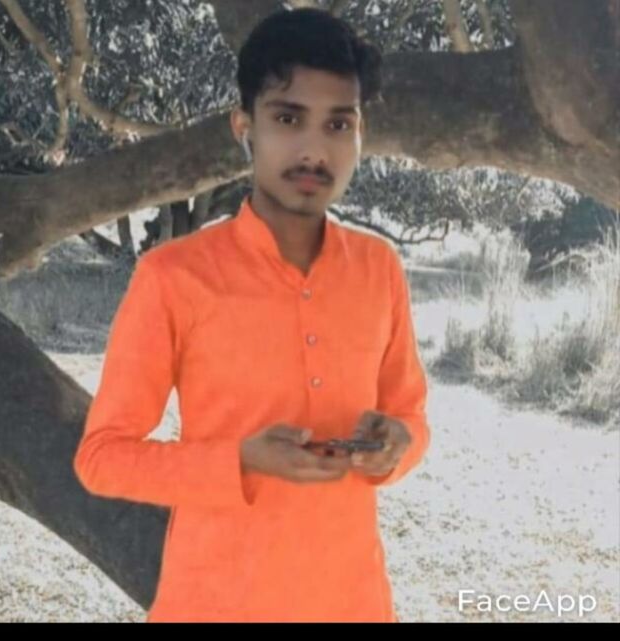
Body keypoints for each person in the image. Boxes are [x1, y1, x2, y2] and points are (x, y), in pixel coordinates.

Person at [73, 7, 431, 623]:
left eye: (338, 124)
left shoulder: (379, 270)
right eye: (288, 118)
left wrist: (397, 446)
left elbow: (412, 420)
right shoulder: (173, 277)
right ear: (245, 127)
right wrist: (237, 460)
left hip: (353, 603)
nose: (314, 150)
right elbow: (102, 459)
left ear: (360, 135)